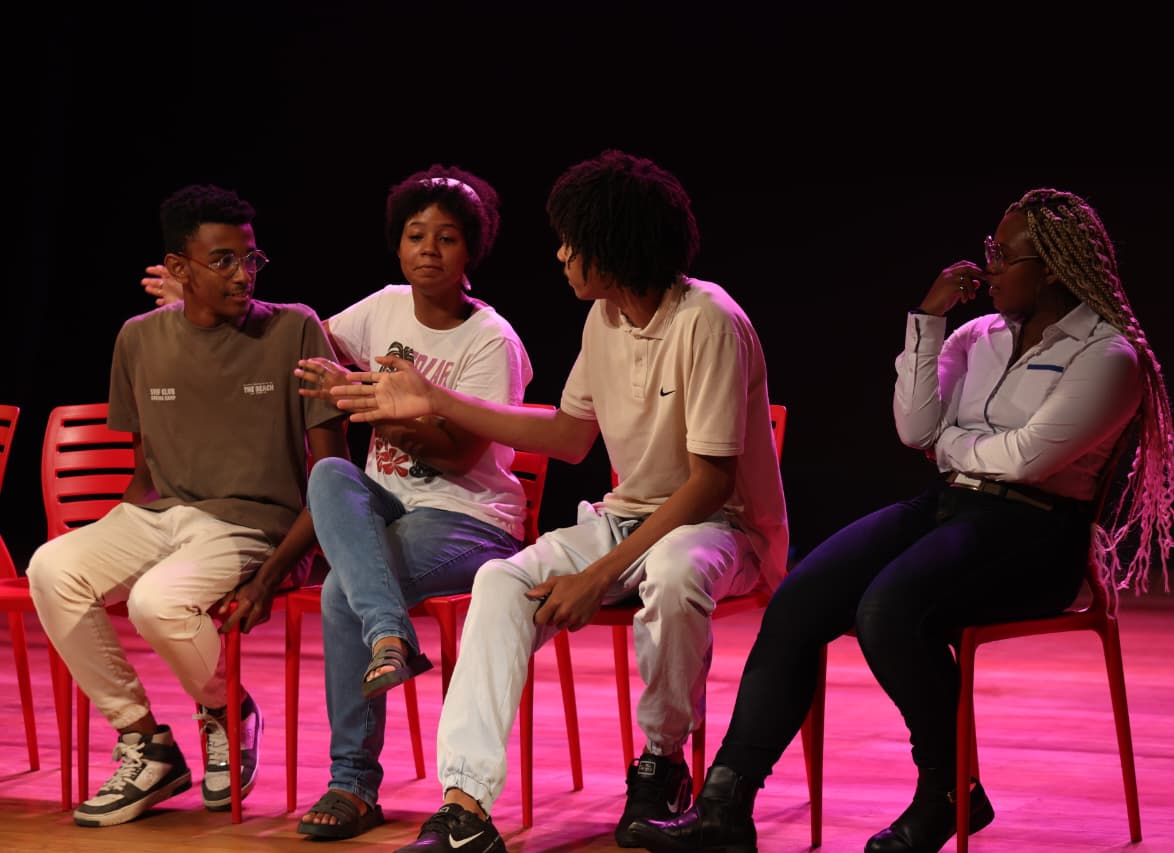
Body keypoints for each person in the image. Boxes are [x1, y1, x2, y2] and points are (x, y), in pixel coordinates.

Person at [624, 187, 1174, 853]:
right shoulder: (976, 337)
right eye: (990, 250)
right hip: (951, 507)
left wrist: (951, 446)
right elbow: (915, 427)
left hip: (1038, 535)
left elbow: (1027, 459)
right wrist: (927, 321)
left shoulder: (1108, 356)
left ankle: (948, 792)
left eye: (1004, 255)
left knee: (888, 609)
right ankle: (725, 804)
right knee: (801, 598)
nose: (988, 267)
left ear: (1053, 269)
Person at [329, 149, 789, 852]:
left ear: (613, 245)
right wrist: (434, 399)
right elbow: (569, 436)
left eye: (573, 241)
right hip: (627, 518)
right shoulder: (605, 317)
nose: (561, 255)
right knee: (499, 581)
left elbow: (710, 484)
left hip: (720, 528)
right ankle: (464, 805)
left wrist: (597, 577)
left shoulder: (709, 319)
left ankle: (662, 762)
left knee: (673, 573)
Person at [27, 184, 348, 827]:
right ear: (179, 268)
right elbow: (144, 465)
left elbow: (333, 474)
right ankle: (146, 742)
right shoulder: (138, 338)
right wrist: (113, 543)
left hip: (254, 523)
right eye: (223, 261)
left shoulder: (295, 328)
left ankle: (226, 710)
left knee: (156, 602)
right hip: (159, 515)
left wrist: (275, 572)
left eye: (251, 258)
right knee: (52, 568)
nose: (243, 275)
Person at [291, 167, 532, 839]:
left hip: (470, 520)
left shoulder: (492, 340)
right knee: (330, 473)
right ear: (397, 245)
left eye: (446, 238)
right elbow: (304, 339)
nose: (428, 248)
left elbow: (456, 454)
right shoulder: (384, 308)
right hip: (388, 508)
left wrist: (371, 402)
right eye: (415, 235)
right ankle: (391, 636)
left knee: (340, 591)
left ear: (471, 250)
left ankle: (352, 784)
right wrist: (205, 313)